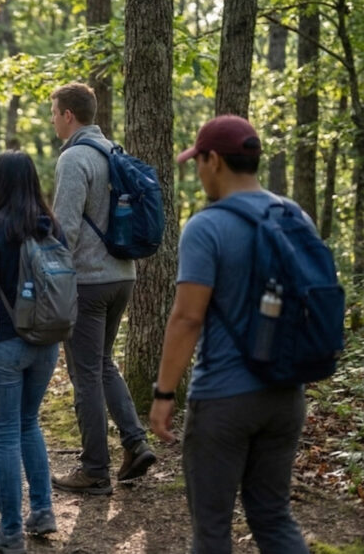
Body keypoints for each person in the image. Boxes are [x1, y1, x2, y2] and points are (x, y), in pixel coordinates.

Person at [150, 115, 310, 553]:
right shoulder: (295, 217)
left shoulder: (208, 226)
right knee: (274, 517)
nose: (198, 172)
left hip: (223, 399)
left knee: (213, 529)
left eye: (197, 161)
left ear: (214, 159)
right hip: (285, 394)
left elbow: (187, 318)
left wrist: (165, 394)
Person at [48, 82, 156, 495]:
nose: (53, 119)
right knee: (103, 364)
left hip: (89, 282)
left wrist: (50, 279)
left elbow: (66, 230)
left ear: (69, 116)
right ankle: (135, 443)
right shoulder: (115, 153)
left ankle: (94, 470)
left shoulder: (75, 158)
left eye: (55, 112)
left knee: (86, 373)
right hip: (123, 276)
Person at [0, 151, 62, 554]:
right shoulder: (50, 224)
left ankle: (10, 532)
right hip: (47, 340)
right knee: (29, 424)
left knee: (5, 433)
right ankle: (42, 511)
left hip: (4, 341)